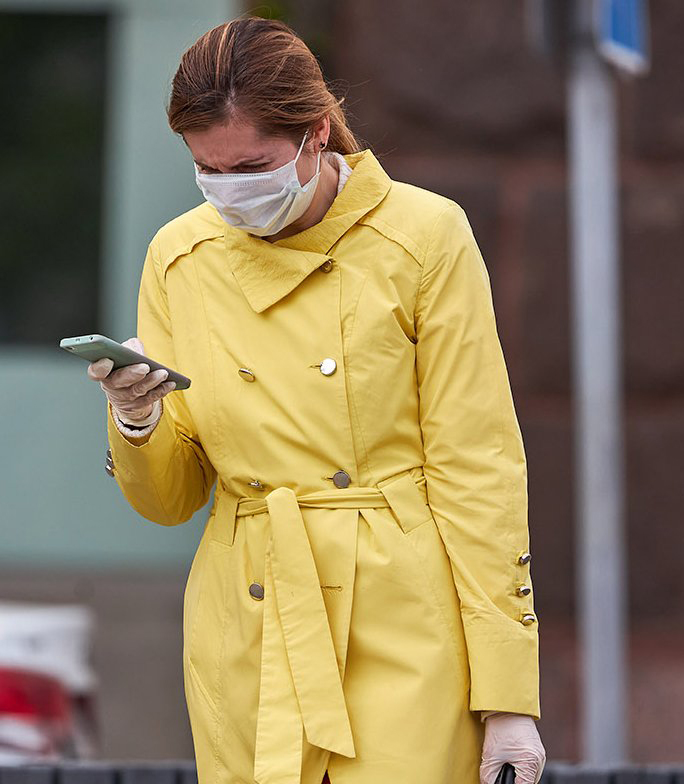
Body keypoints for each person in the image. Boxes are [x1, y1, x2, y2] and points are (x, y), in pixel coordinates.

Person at [86, 16, 546, 784]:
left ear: (317, 132)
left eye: (252, 165)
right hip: (249, 621)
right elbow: (172, 500)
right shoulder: (179, 255)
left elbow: (479, 470)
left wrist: (508, 700)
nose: (230, 191)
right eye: (208, 169)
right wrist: (138, 418)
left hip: (404, 626)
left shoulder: (425, 236)